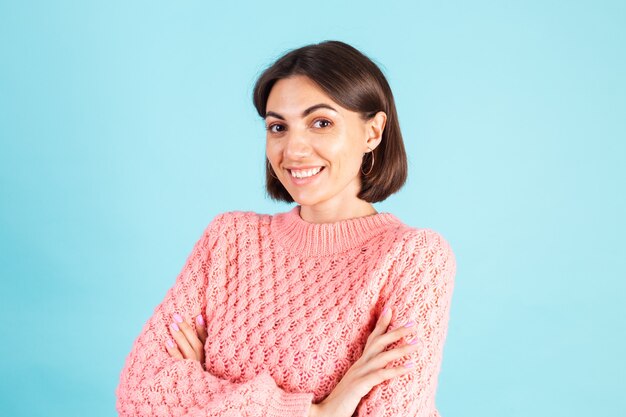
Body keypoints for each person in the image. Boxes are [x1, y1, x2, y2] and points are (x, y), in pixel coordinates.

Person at [115, 40, 456, 417]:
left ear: (373, 132)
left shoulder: (412, 257)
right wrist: (316, 412)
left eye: (321, 123)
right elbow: (140, 393)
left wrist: (203, 393)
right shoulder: (229, 239)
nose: (293, 149)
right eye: (278, 127)